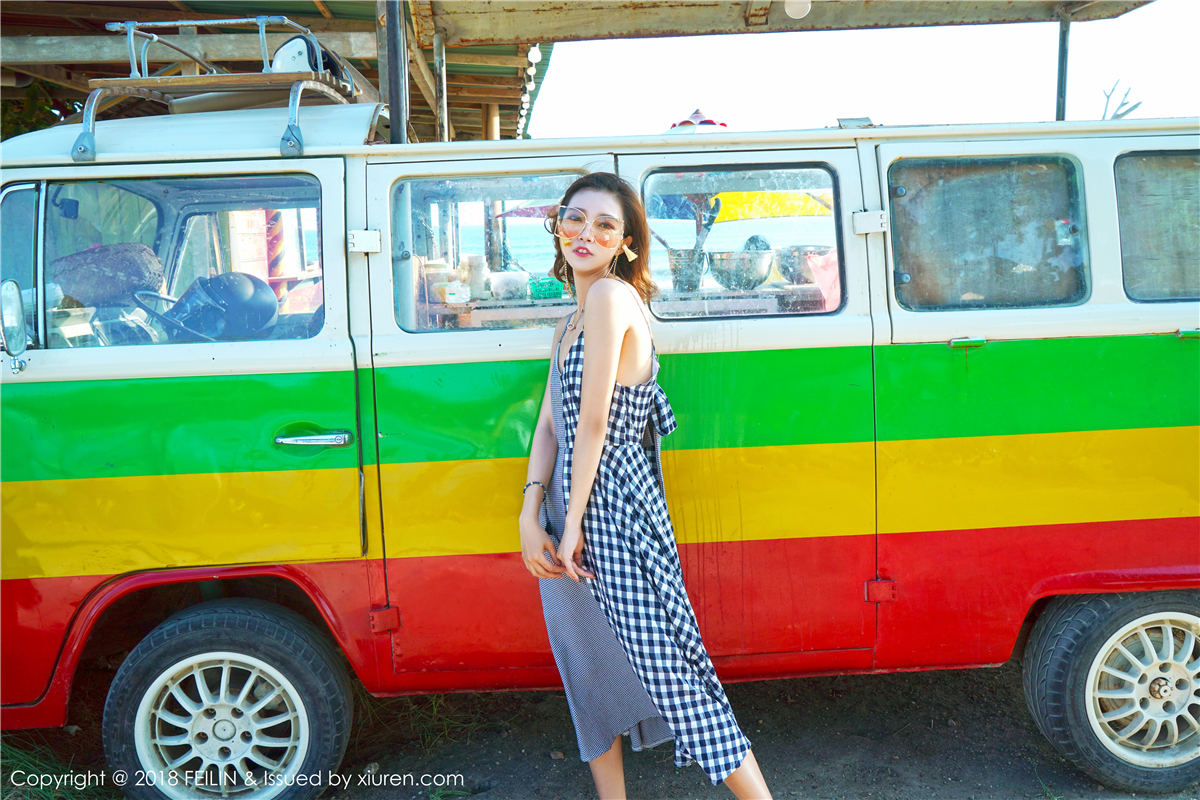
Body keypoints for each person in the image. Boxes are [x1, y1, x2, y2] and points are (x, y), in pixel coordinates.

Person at [518, 172, 772, 799]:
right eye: (575, 218)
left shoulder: (611, 297)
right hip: (568, 504)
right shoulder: (567, 322)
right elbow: (550, 426)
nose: (586, 232)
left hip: (616, 507)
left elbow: (595, 421)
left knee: (668, 671)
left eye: (605, 224)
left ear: (626, 243)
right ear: (557, 224)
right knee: (585, 664)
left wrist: (573, 525)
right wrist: (530, 514)